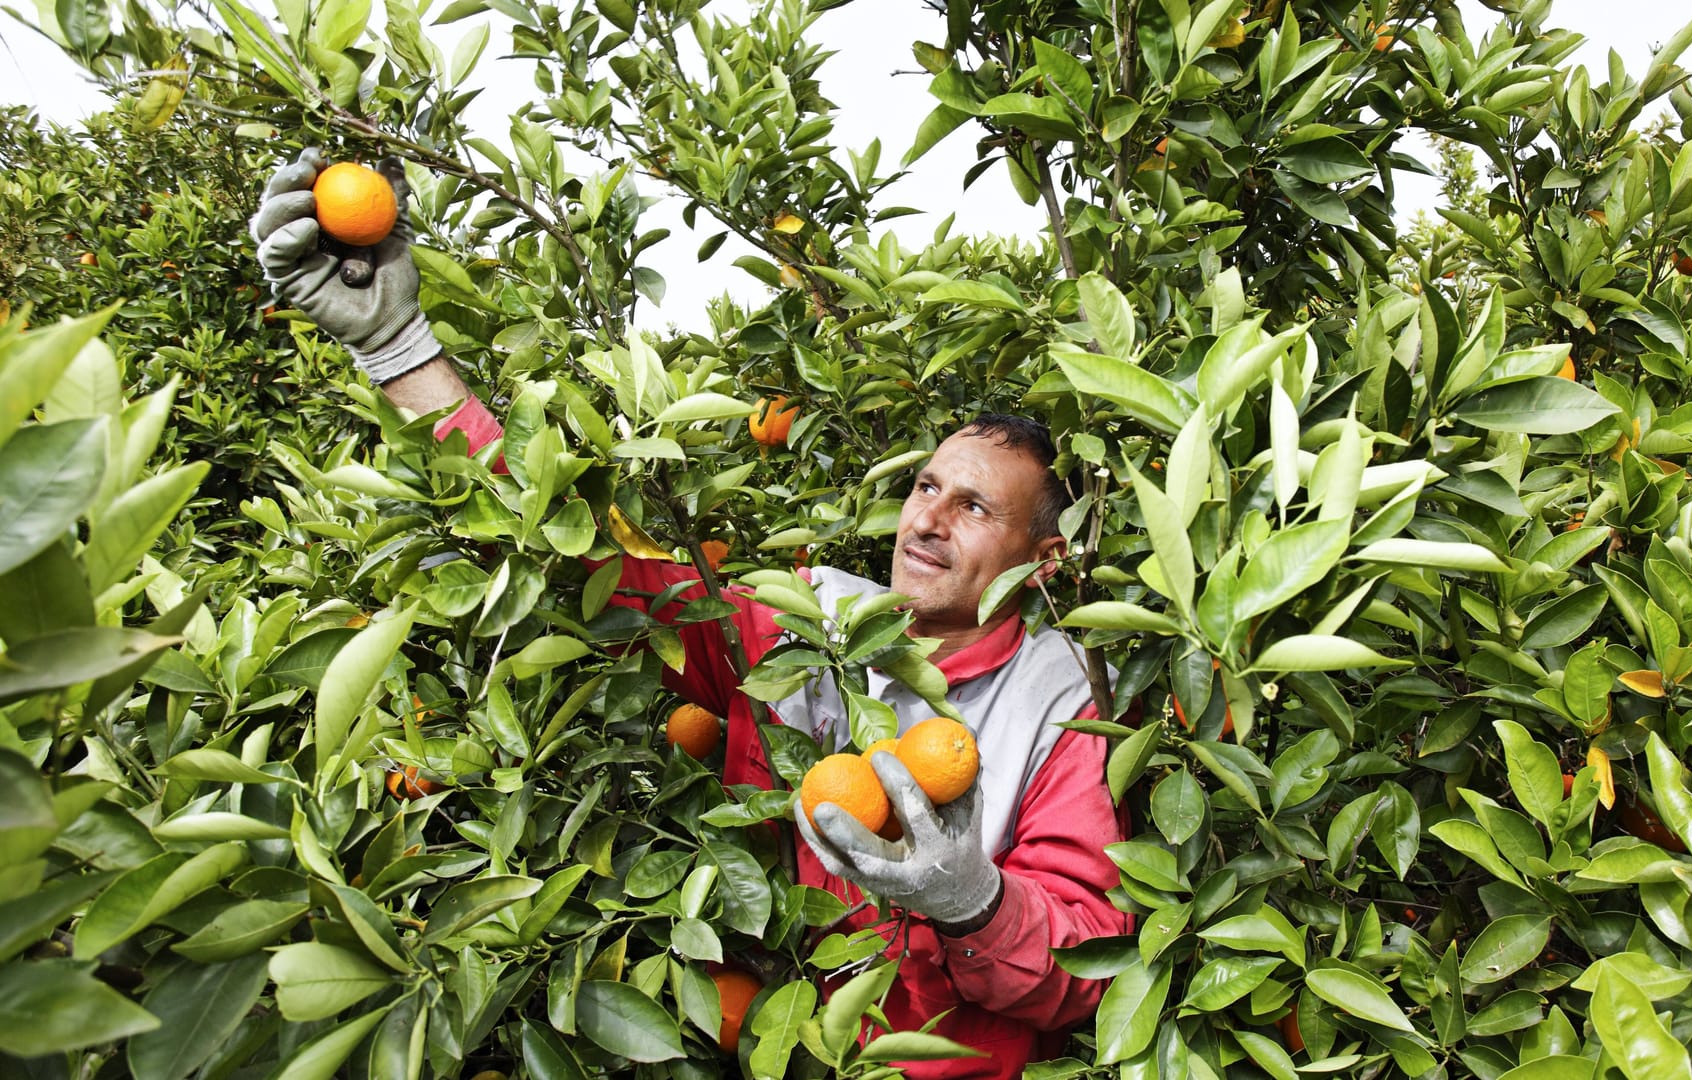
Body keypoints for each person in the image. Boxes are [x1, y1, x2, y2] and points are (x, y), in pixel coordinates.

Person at [251, 149, 1130, 1078]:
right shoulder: (811, 616)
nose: (928, 520)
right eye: (926, 486)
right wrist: (401, 353)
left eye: (975, 507)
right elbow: (588, 572)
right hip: (765, 1042)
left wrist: (977, 906)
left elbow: (1087, 960)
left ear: (1044, 561)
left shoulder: (1058, 699)